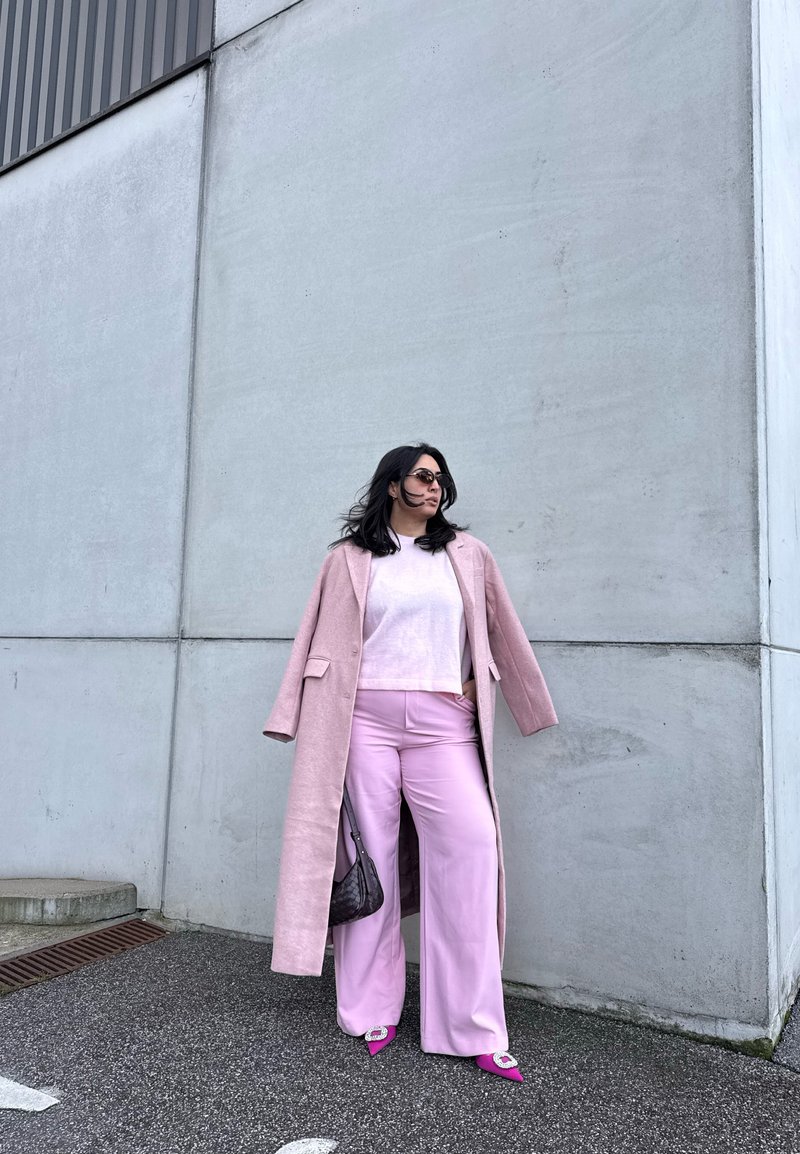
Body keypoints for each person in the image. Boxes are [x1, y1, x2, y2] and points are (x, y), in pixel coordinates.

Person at [262, 443, 558, 1082]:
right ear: (393, 485)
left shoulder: (467, 556)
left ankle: (471, 1026)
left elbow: (500, 630)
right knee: (372, 863)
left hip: (442, 723)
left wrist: (495, 686)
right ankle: (371, 1009)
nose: (437, 486)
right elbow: (314, 638)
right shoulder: (348, 560)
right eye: (424, 476)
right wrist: (287, 714)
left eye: (441, 477)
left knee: (472, 852)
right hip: (361, 720)